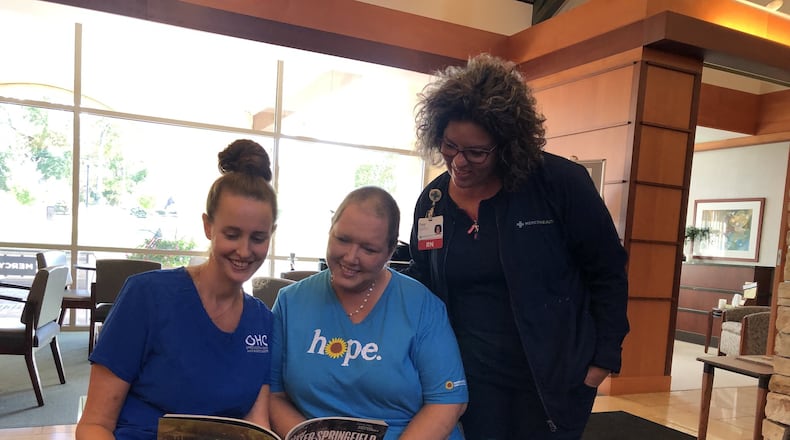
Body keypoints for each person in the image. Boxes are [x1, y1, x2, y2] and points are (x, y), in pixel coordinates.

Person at [405, 53, 630, 439]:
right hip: (465, 374)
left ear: (508, 145)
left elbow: (607, 271)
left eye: (476, 152)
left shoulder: (560, 183)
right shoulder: (434, 201)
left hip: (549, 375)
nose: (459, 162)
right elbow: (423, 279)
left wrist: (601, 360)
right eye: (449, 146)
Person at [76, 139, 278, 440]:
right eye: (232, 234)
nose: (244, 251)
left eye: (258, 238)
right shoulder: (148, 296)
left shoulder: (262, 321)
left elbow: (256, 425)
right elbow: (94, 425)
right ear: (208, 226)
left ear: (271, 235)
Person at [269, 186, 468, 440]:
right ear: (330, 229)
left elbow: (447, 401)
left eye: (369, 249)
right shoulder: (290, 302)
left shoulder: (422, 307)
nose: (351, 257)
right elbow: (274, 395)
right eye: (342, 239)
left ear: (389, 250)